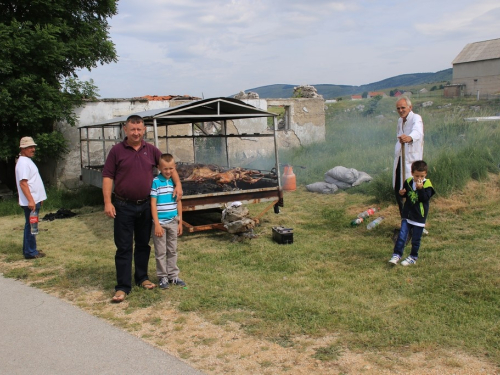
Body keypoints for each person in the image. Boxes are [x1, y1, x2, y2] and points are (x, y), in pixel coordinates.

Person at [102, 115, 182, 303]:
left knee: (143, 245)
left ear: (144, 130)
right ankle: (122, 287)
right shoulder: (116, 151)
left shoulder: (152, 150)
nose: (136, 133)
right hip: (122, 205)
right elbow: (107, 177)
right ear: (125, 129)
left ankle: (142, 278)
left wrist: (178, 185)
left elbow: (168, 166)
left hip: (145, 206)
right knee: (123, 247)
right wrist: (107, 202)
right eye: (132, 129)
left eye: (139, 129)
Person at [389, 160, 435, 266]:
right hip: (407, 214)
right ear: (412, 173)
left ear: (426, 174)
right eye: (417, 176)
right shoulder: (409, 181)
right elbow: (407, 194)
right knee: (402, 236)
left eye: (422, 176)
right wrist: (402, 194)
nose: (419, 179)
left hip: (419, 216)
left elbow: (425, 198)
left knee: (415, 239)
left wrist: (420, 189)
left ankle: (413, 257)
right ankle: (397, 254)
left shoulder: (427, 185)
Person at [150, 153, 186, 289]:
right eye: (165, 169)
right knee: (160, 251)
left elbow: (179, 202)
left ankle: (173, 276)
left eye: (171, 168)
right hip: (160, 224)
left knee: (172, 249)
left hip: (173, 222)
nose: (168, 171)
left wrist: (180, 222)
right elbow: (153, 204)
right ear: (159, 168)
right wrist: (157, 224)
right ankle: (162, 277)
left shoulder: (174, 183)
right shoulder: (155, 182)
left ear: (174, 167)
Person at [15, 137, 47, 259]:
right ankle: (30, 252)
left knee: (32, 225)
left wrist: (39, 197)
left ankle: (30, 249)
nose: (33, 149)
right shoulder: (23, 163)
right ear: (22, 149)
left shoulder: (27, 161)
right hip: (30, 202)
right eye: (30, 147)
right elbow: (23, 183)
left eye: (33, 147)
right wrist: (31, 200)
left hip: (34, 200)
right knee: (31, 225)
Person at [393, 97, 424, 216]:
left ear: (410, 108)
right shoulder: (400, 121)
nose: (400, 110)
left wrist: (410, 137)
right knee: (398, 189)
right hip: (400, 157)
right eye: (398, 108)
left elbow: (418, 132)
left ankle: (415, 220)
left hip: (412, 159)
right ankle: (404, 218)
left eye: (403, 108)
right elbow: (399, 135)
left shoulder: (416, 118)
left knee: (412, 189)